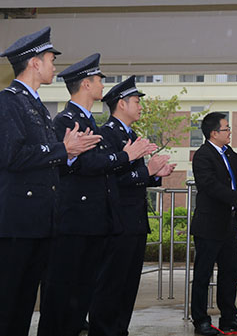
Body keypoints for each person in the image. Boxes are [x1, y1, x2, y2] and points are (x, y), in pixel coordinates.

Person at [37, 54, 155, 336]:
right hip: (74, 222)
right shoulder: (67, 120)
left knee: (79, 299)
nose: (103, 85)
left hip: (94, 223)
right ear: (86, 84)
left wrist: (132, 161)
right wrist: (126, 156)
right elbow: (83, 165)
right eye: (99, 80)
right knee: (61, 298)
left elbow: (98, 167)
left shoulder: (89, 120)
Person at [0, 27, 101, 336]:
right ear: (34, 63)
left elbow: (47, 160)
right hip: (18, 223)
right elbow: (12, 156)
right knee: (9, 304)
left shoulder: (36, 105)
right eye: (49, 59)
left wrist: (69, 154)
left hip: (40, 222)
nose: (54, 66)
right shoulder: (9, 102)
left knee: (25, 302)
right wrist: (63, 149)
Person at [89, 75, 176, 336]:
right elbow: (111, 180)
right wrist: (146, 170)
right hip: (117, 222)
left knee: (128, 285)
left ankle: (119, 330)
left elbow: (136, 178)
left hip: (135, 221)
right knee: (110, 284)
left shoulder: (131, 134)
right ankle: (103, 331)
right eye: (136, 101)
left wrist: (156, 173)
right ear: (121, 104)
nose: (140, 106)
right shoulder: (107, 135)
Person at [190, 112, 237, 336]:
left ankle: (229, 318)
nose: (229, 132)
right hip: (209, 225)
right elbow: (211, 186)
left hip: (228, 224)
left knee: (230, 273)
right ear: (214, 133)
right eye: (226, 129)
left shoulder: (227, 152)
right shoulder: (203, 156)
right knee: (203, 275)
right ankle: (201, 321)